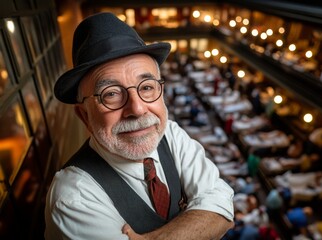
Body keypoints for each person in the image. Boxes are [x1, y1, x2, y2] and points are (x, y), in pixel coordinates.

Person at [44, 12, 234, 240]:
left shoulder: (170, 134)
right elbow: (211, 212)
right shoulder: (73, 197)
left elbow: (221, 207)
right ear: (85, 115)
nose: (137, 109)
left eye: (146, 88)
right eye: (111, 94)